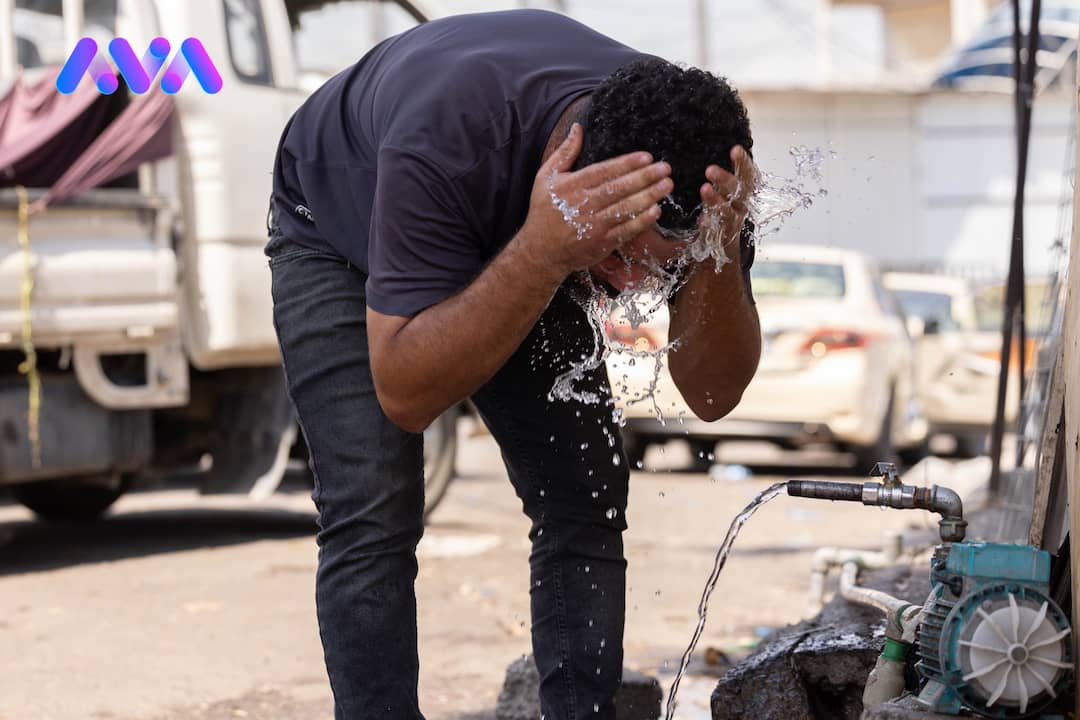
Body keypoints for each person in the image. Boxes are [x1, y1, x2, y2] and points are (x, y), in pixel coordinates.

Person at [267, 9, 761, 719]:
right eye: (617, 254)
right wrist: (542, 252)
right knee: (373, 507)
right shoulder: (449, 139)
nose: (626, 289)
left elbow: (714, 395)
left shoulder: (700, 174)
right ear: (574, 172)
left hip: (536, 221)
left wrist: (717, 254)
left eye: (656, 270)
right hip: (338, 218)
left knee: (585, 492)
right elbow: (406, 395)